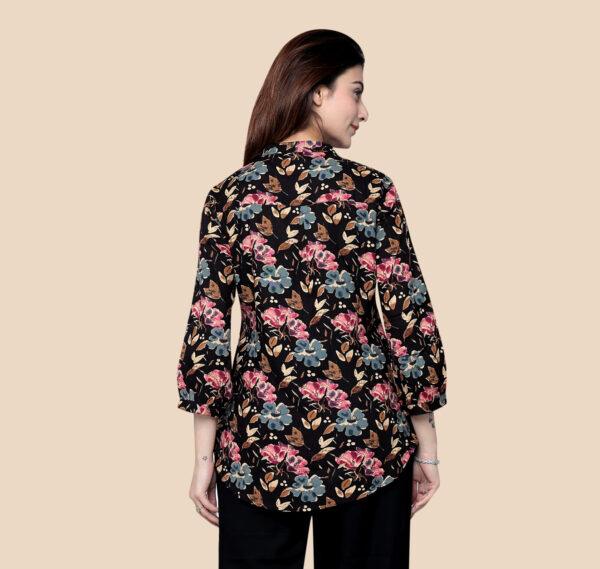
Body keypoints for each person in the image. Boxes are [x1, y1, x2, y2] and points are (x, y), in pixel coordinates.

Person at [175, 29, 448, 569]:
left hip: (258, 450)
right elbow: (409, 320)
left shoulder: (230, 196)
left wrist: (204, 457)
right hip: (368, 443)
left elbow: (208, 329)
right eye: (356, 91)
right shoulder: (372, 192)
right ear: (317, 92)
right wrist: (429, 448)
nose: (363, 111)